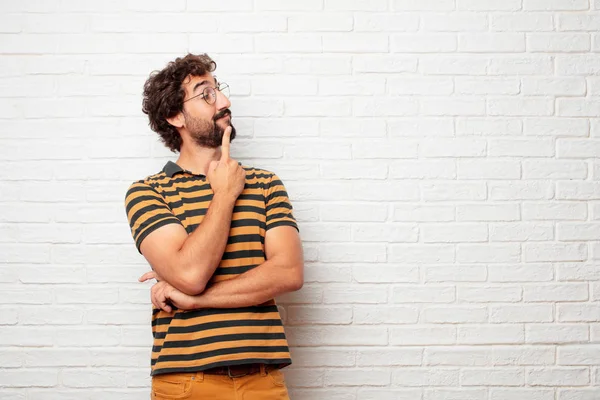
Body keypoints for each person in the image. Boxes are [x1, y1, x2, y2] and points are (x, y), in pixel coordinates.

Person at [124, 53, 304, 400]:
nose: (224, 102)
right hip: (186, 383)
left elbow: (288, 273)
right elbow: (190, 273)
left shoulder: (266, 184)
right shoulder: (148, 192)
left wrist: (195, 301)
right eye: (206, 94)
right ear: (174, 116)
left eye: (219, 90)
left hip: (262, 382)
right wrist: (224, 193)